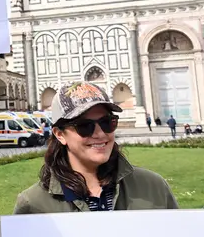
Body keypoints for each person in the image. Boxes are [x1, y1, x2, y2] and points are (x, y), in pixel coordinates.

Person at [13, 81, 178, 214]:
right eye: (85, 126)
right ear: (60, 134)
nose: (100, 133)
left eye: (107, 122)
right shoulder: (34, 205)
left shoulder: (152, 187)